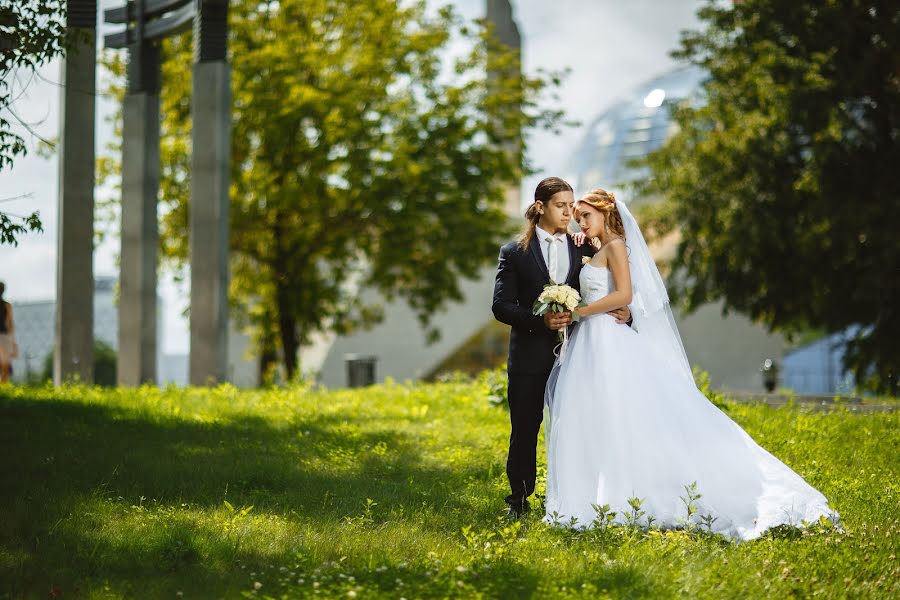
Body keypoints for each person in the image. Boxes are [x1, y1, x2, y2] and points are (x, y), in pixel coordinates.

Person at [544, 189, 838, 540]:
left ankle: (629, 492)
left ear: (606, 213)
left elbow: (624, 296)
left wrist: (582, 311)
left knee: (621, 412)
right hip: (591, 341)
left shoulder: (617, 246)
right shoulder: (594, 246)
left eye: (586, 215)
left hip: (606, 337)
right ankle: (595, 491)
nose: (580, 221)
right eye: (578, 216)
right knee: (594, 414)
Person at [491, 177, 630, 519]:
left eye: (572, 206)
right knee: (525, 428)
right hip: (528, 357)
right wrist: (539, 322)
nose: (570, 213)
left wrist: (627, 315)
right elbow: (501, 306)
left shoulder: (583, 246)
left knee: (577, 429)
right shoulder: (514, 253)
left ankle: (576, 500)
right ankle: (519, 501)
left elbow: (612, 283)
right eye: (561, 206)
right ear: (540, 207)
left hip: (579, 356)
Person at [0, 281, 17, 383]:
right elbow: (10, 323)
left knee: (4, 363)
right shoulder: (7, 305)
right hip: (4, 336)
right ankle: (3, 386)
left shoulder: (7, 305)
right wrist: (13, 341)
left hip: (4, 336)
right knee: (5, 364)